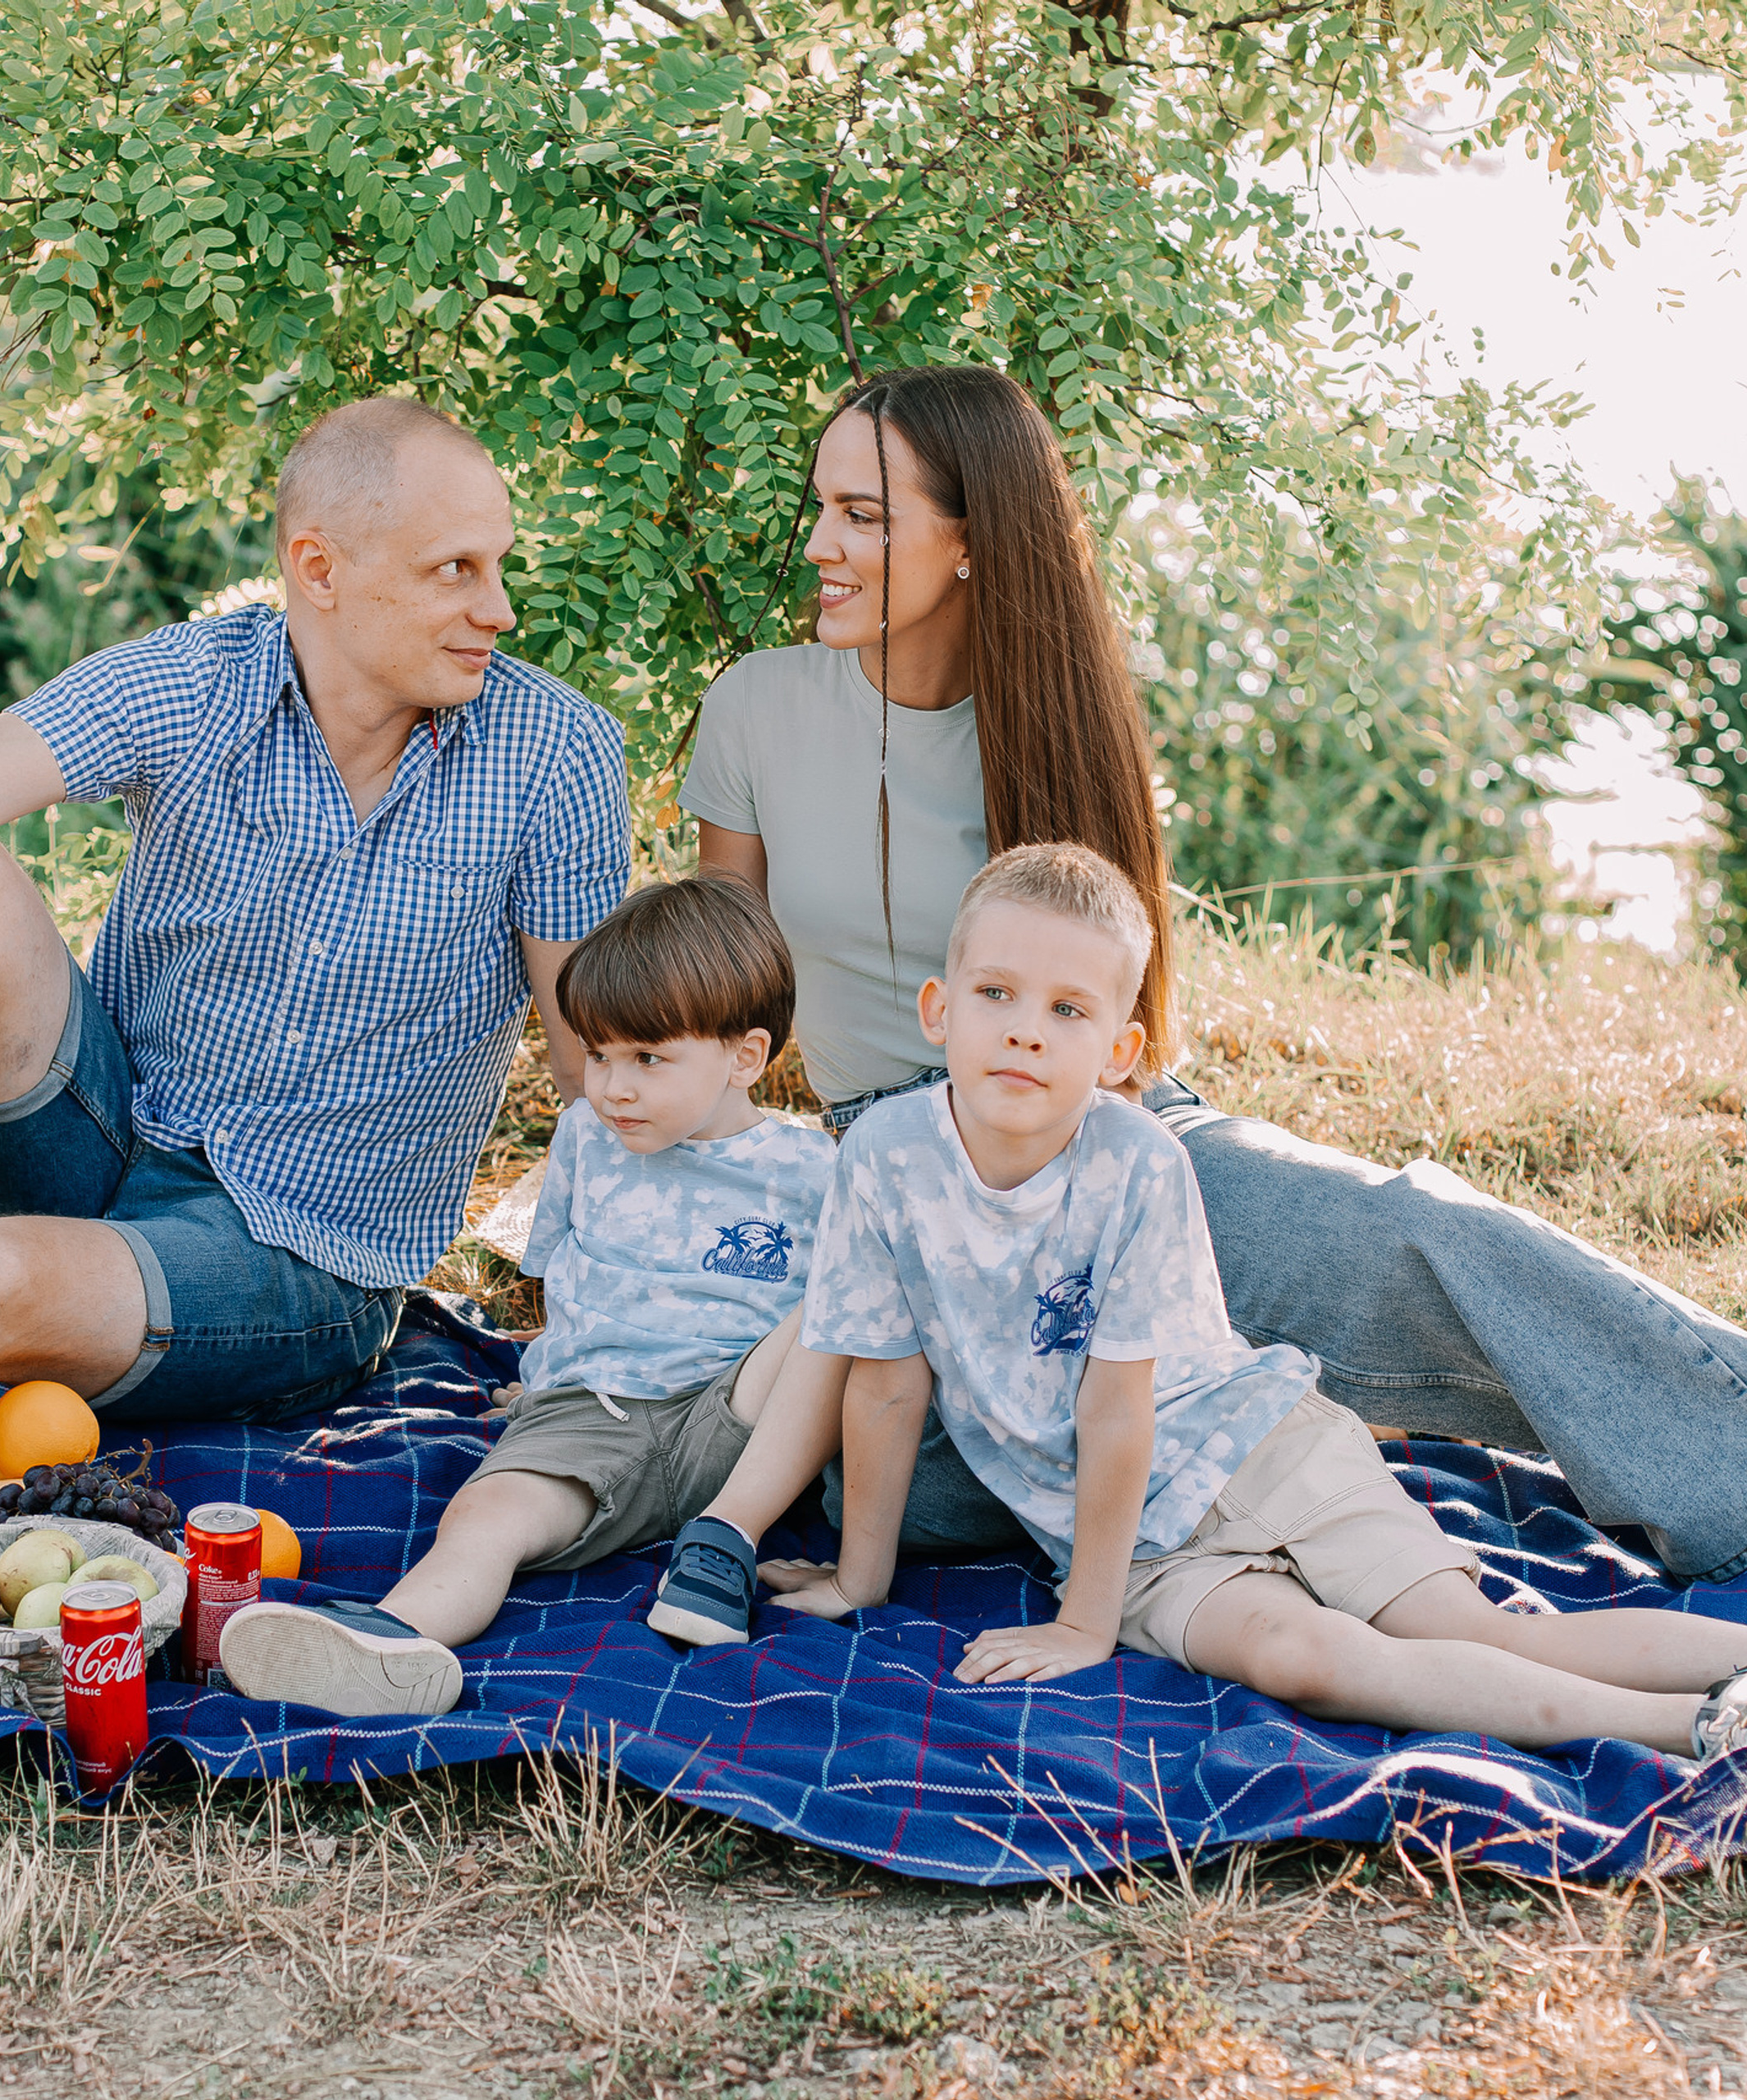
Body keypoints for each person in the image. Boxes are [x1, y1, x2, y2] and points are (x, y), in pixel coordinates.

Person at [677, 361, 1747, 1585]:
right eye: (820, 507)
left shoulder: (1054, 715)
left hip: (1102, 1129)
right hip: (897, 1166)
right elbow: (728, 1011)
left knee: (1405, 1231)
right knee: (908, 1482)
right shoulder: (757, 708)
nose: (821, 543)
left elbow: (1122, 1021)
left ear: (974, 541)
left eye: (864, 515)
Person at [0, 397, 630, 1517]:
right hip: (116, 1144)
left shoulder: (556, 755)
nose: (498, 608)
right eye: (455, 568)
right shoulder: (199, 680)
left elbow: (596, 1074)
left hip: (303, 1262)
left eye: (499, 564)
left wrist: (625, 1337)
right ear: (320, 569)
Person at [651, 844, 1747, 1761]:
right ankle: (1699, 1729)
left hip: (1265, 1453)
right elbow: (886, 1385)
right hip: (1143, 1546)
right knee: (1304, 1664)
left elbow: (1118, 1409)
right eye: (996, 995)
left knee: (1474, 1629)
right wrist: (861, 1577)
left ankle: (1703, 1712)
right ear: (939, 1011)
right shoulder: (886, 1160)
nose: (1025, 1030)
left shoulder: (1136, 1165)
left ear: (1121, 1052)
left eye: (1068, 1008)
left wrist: (1084, 1625)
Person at [217, 877, 841, 1716]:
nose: (614, 1086)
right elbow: (563, 1270)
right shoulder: (589, 1134)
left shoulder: (812, 1172)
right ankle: (392, 1641)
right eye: (599, 1053)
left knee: (832, 1312)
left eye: (648, 1058)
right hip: (587, 1416)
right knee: (486, 1514)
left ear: (745, 1056)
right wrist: (545, 1376)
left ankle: (720, 1540)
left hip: (730, 1419)